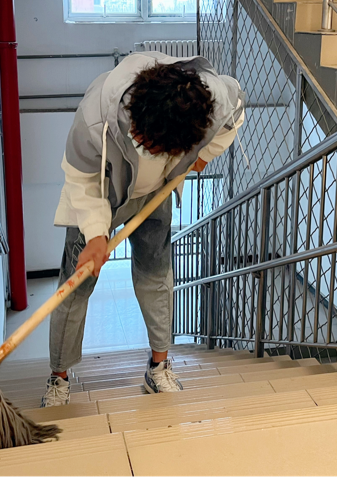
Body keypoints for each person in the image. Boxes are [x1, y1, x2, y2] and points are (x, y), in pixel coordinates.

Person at [41, 51, 245, 406]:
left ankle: (158, 367)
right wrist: (96, 234)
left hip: (154, 193)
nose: (147, 148)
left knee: (156, 276)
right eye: (144, 142)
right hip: (101, 192)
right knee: (75, 286)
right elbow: (80, 178)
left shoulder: (208, 99)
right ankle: (58, 378)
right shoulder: (94, 119)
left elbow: (236, 110)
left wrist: (205, 154)